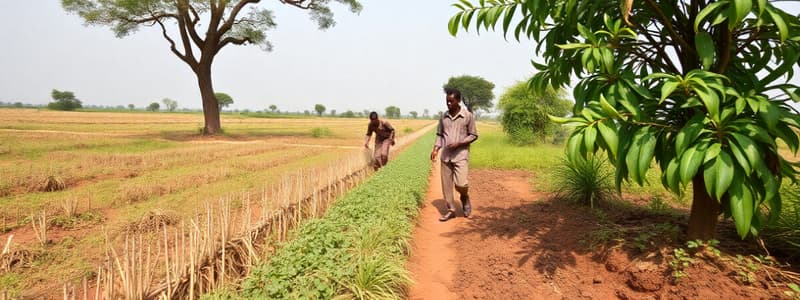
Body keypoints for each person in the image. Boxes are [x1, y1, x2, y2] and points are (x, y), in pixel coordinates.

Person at [430, 87, 478, 222]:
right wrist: (435, 149)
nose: (448, 104)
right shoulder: (443, 117)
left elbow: (474, 135)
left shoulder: (467, 116)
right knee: (446, 186)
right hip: (446, 156)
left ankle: (464, 197)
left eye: (451, 101)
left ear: (458, 101)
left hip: (460, 155)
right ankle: (451, 209)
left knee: (461, 184)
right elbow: (439, 135)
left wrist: (459, 143)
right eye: (447, 101)